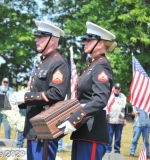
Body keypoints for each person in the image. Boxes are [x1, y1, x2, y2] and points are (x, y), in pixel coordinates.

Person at [58, 22, 117, 160]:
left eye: (89, 40)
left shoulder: (101, 66)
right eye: (85, 39)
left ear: (101, 43)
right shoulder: (92, 65)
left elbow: (100, 100)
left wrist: (75, 119)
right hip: (84, 131)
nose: (84, 42)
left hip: (92, 132)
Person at [14, 21, 70, 160]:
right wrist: (21, 100)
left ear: (52, 40)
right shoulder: (44, 62)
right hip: (34, 127)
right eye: (37, 36)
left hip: (45, 128)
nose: (36, 39)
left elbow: (56, 94)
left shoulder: (58, 63)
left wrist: (26, 97)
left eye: (41, 37)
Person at [106, 83, 127, 154]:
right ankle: (108, 150)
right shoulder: (109, 96)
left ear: (120, 89)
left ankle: (117, 150)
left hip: (119, 120)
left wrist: (125, 119)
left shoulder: (123, 97)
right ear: (113, 88)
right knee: (109, 136)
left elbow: (125, 108)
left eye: (118, 88)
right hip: (110, 119)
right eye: (116, 88)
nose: (117, 89)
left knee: (118, 137)